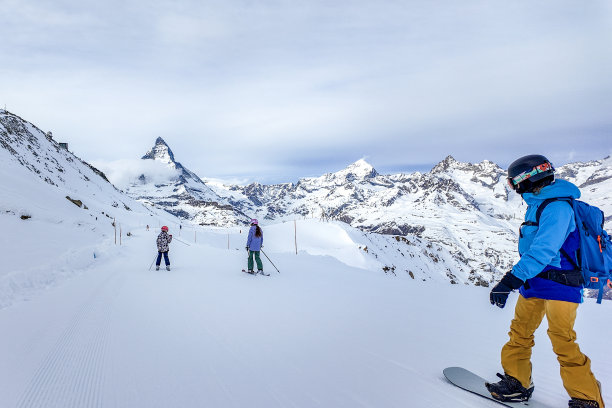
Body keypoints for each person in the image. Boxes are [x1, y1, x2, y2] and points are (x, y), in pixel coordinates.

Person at [487, 154, 605, 408]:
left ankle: (587, 398)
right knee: (520, 333)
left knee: (562, 340)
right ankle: (517, 383)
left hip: (562, 285)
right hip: (536, 282)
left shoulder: (557, 208)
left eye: (512, 183)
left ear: (526, 180)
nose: (512, 188)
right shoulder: (538, 203)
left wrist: (510, 281)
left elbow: (544, 250)